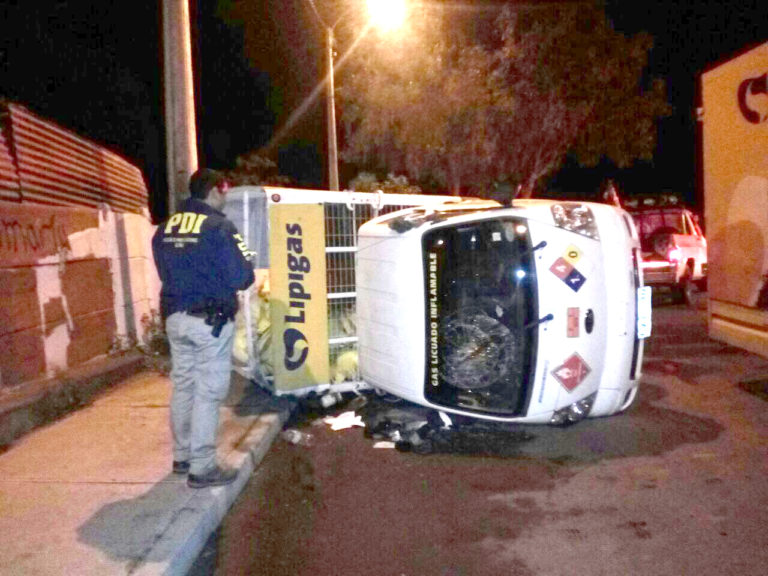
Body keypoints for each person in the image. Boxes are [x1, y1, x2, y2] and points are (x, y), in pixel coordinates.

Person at [152, 168, 255, 489]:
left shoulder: (165, 227)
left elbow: (164, 270)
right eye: (224, 189)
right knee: (209, 393)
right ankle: (202, 467)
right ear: (214, 190)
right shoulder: (218, 227)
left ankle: (182, 457)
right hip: (209, 322)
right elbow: (242, 277)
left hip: (175, 319)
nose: (225, 196)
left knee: (184, 386)